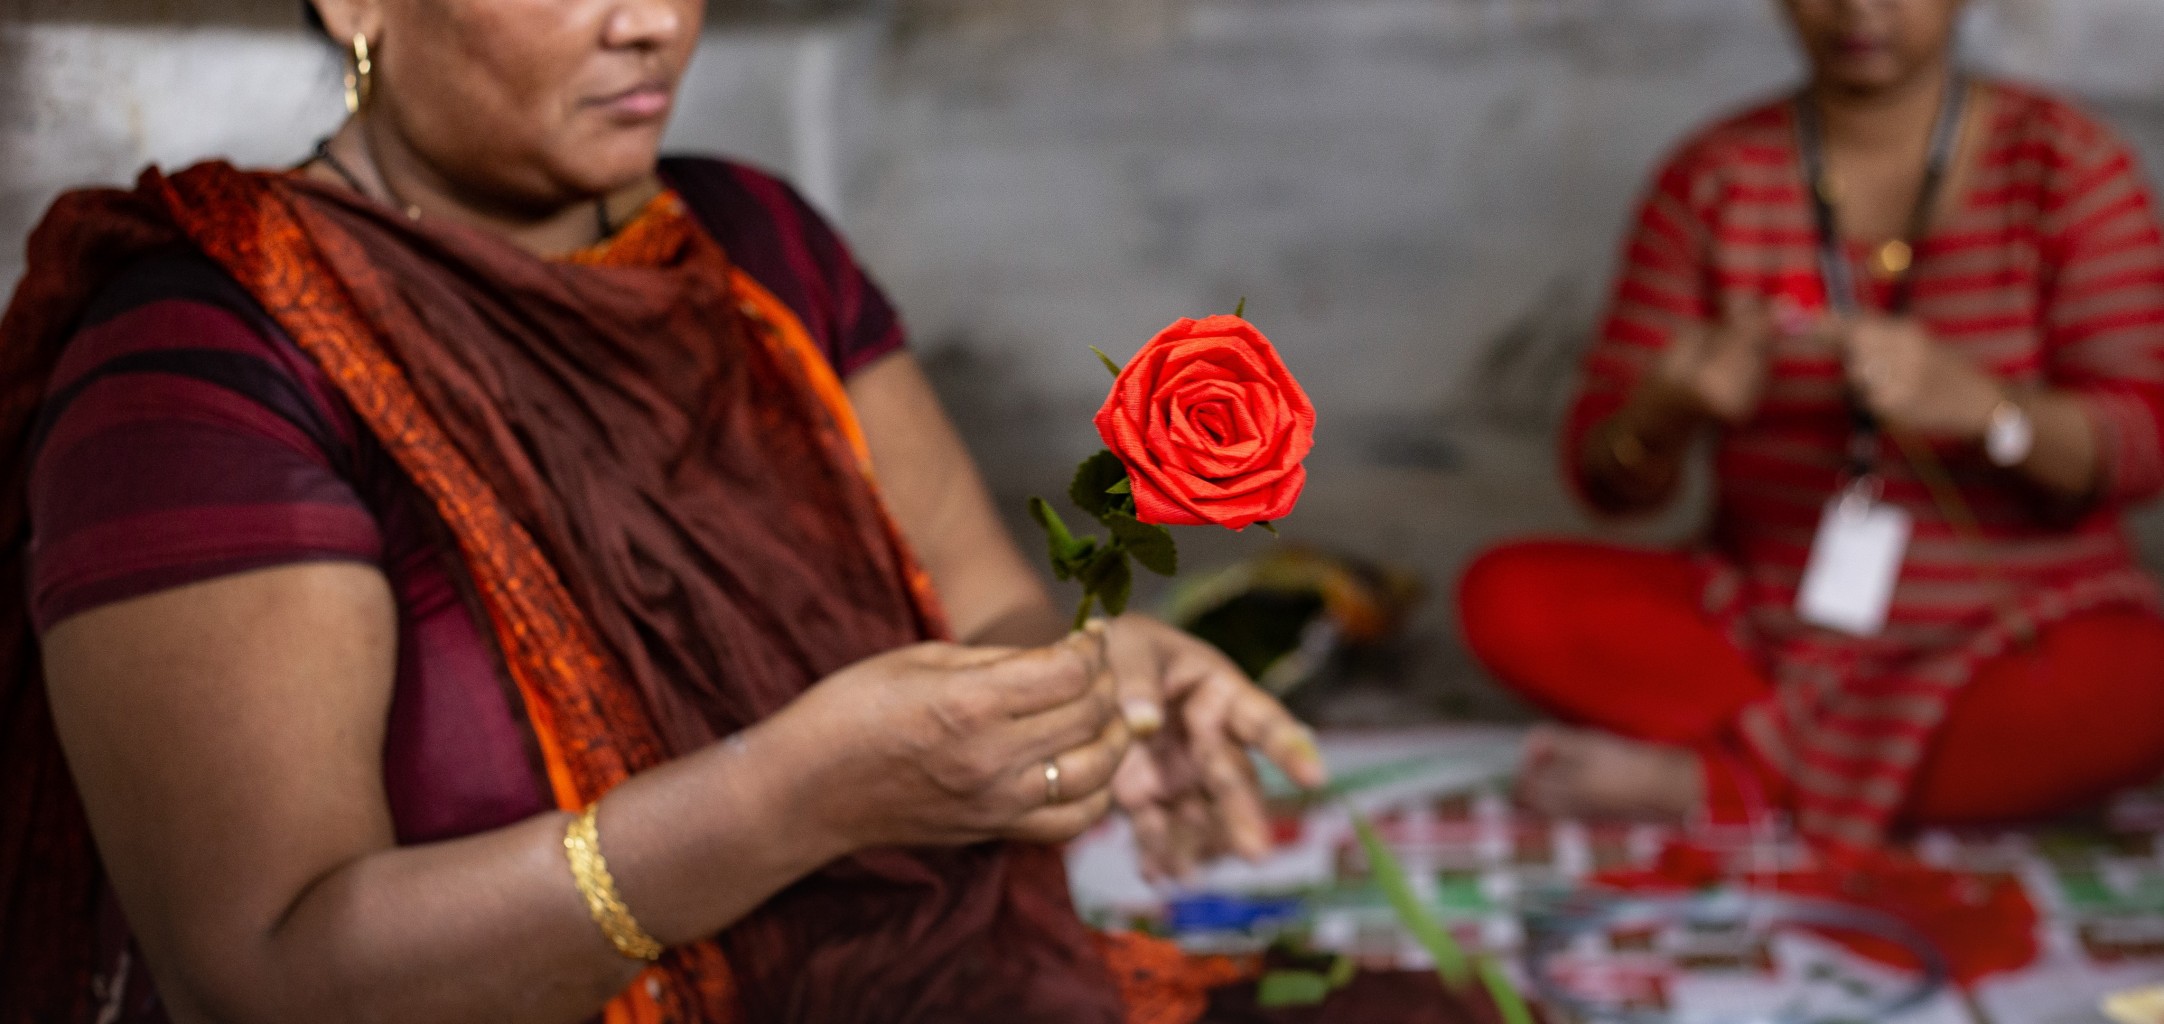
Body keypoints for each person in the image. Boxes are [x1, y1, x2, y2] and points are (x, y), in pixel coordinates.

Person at [0, 1, 1331, 1020]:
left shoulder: (755, 245)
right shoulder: (211, 356)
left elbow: (989, 611)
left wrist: (1082, 690)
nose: (652, 20)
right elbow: (265, 977)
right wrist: (786, 805)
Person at [1461, 0, 2164, 846]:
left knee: (2141, 687)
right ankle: (1850, 769)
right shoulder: (1715, 176)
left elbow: (2143, 447)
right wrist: (1668, 404)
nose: (1859, 10)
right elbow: (1601, 475)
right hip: (1766, 623)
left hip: (2015, 627)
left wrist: (1988, 410)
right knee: (1507, 599)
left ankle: (1722, 781)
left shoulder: (2069, 166)